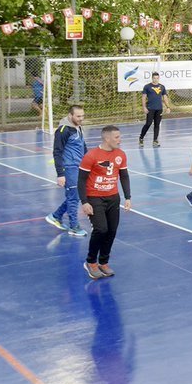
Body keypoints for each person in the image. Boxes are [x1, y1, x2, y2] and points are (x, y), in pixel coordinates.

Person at [78, 125, 132, 280]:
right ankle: (91, 262)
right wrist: (84, 202)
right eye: (117, 137)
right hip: (95, 198)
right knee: (101, 229)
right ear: (107, 138)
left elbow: (124, 176)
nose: (119, 140)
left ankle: (103, 262)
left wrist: (128, 197)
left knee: (112, 231)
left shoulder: (120, 155)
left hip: (113, 198)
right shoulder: (91, 156)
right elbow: (81, 180)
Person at [47, 105, 89, 237]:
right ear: (70, 115)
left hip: (79, 167)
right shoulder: (63, 130)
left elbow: (83, 146)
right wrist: (61, 174)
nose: (81, 118)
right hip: (70, 168)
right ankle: (74, 226)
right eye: (78, 116)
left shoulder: (78, 127)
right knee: (73, 198)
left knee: (75, 196)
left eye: (82, 116)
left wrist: (90, 162)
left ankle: (56, 216)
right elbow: (57, 152)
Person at [138, 71, 172, 148]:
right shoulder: (147, 86)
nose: (155, 79)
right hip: (150, 108)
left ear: (159, 78)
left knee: (157, 125)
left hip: (159, 109)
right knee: (148, 124)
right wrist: (144, 107)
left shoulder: (162, 87)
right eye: (154, 78)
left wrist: (168, 107)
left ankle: (155, 140)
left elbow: (165, 97)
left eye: (157, 78)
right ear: (152, 78)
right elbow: (143, 97)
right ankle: (141, 138)